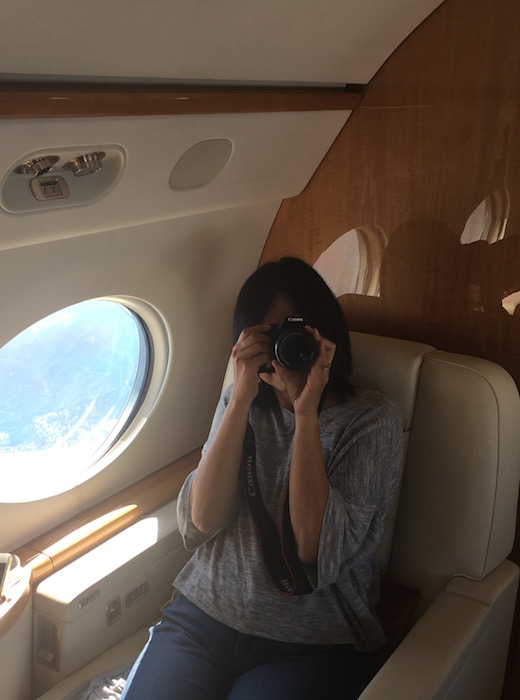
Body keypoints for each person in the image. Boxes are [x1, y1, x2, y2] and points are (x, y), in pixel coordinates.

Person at [121, 257, 403, 700]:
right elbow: (203, 519)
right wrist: (238, 400)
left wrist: (306, 412)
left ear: (326, 335)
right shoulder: (241, 401)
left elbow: (314, 550)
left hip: (308, 642)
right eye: (272, 336)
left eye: (298, 331)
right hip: (203, 617)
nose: (286, 346)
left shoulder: (370, 419)